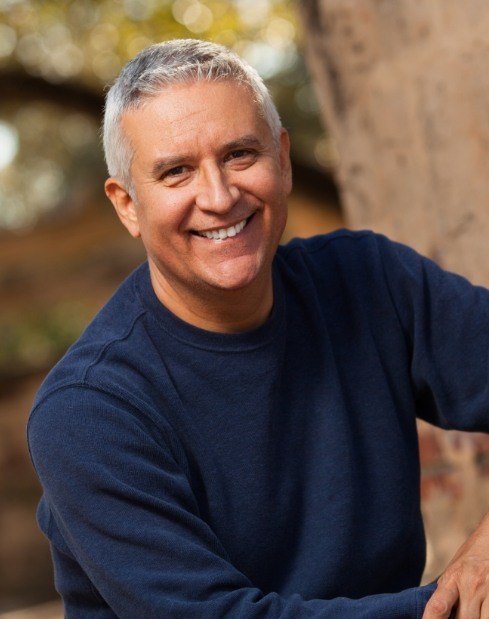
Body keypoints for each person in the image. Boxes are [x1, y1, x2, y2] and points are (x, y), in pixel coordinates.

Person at [27, 39, 489, 618]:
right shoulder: (89, 412)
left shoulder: (372, 282)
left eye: (241, 155)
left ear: (284, 159)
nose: (219, 197)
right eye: (176, 172)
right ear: (127, 206)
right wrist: (453, 607)